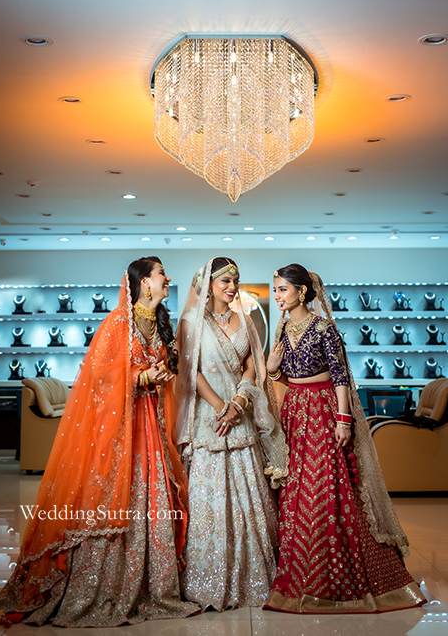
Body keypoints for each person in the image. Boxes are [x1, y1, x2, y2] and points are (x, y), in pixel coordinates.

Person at [0, 257, 198, 627]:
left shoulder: (158, 324)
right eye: (161, 274)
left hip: (151, 424)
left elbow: (156, 370)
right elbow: (100, 377)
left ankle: (154, 585)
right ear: (144, 283)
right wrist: (140, 377)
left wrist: (160, 374)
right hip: (122, 429)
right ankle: (101, 587)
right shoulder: (118, 322)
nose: (167, 278)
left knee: (154, 498)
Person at [264, 263, 426, 614]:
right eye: (275, 290)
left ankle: (334, 574)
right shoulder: (283, 329)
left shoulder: (323, 328)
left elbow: (340, 377)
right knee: (296, 490)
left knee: (326, 488)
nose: (277, 296)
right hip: (295, 412)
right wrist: (273, 369)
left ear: (301, 292)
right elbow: (285, 377)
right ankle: (301, 573)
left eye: (282, 289)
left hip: (323, 411)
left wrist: (343, 420)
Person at [175, 257, 288, 611]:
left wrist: (239, 401)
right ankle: (206, 579)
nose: (232, 286)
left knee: (249, 495)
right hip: (209, 417)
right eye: (225, 280)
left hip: (241, 412)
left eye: (235, 280)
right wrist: (221, 406)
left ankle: (254, 576)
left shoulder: (245, 319)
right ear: (208, 284)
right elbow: (189, 370)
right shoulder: (190, 321)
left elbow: (252, 364)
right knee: (209, 497)